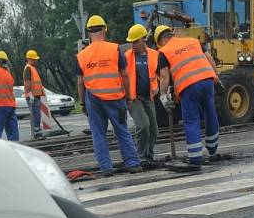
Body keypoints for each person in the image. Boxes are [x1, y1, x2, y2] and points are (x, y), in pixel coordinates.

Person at [76, 15, 142, 176]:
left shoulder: (82, 55)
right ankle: (132, 163)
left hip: (93, 99)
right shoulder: (114, 49)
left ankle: (106, 168)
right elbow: (125, 75)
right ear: (104, 30)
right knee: (122, 130)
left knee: (98, 133)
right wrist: (128, 96)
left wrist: (83, 103)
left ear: (89, 32)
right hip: (115, 97)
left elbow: (80, 82)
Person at [155, 25, 220, 168]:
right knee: (210, 112)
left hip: (188, 86)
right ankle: (212, 146)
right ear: (172, 34)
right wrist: (217, 78)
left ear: (160, 41)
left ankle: (195, 158)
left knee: (191, 120)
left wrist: (163, 97)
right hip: (207, 79)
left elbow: (164, 76)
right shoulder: (192, 41)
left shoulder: (163, 52)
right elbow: (209, 59)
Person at [124, 24, 160, 168]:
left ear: (143, 40)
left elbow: (160, 73)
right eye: (131, 42)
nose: (132, 45)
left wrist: (160, 89)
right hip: (134, 97)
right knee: (143, 125)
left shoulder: (154, 55)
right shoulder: (127, 56)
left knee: (154, 129)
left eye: (135, 41)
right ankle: (141, 156)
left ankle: (149, 156)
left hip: (149, 96)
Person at [23, 49, 45, 139]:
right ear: (30, 59)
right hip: (32, 96)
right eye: (35, 59)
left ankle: (37, 131)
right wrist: (29, 94)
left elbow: (36, 82)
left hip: (36, 95)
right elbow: (28, 83)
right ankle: (36, 132)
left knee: (37, 114)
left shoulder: (32, 68)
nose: (36, 61)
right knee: (35, 114)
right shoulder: (28, 68)